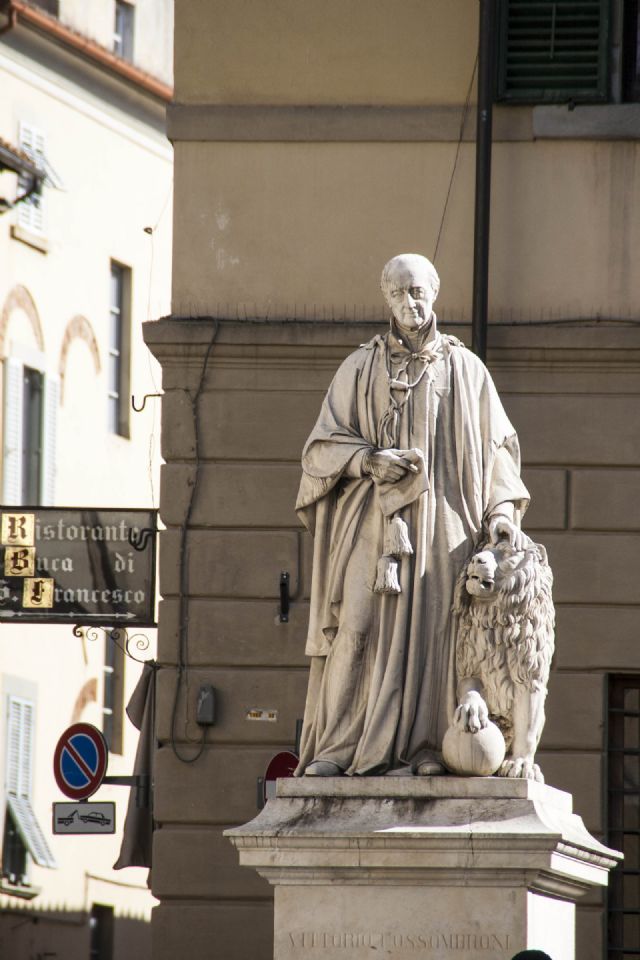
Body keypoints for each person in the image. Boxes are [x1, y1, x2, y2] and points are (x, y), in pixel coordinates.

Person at [295, 253, 530, 777]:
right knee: (355, 630)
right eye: (399, 293)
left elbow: (499, 452)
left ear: (436, 292)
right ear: (386, 298)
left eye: (418, 291)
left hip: (445, 528)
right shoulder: (360, 367)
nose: (410, 302)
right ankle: (338, 748)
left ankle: (426, 749)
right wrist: (366, 459)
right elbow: (317, 451)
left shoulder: (466, 369)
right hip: (372, 528)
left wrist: (501, 516)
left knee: (437, 637)